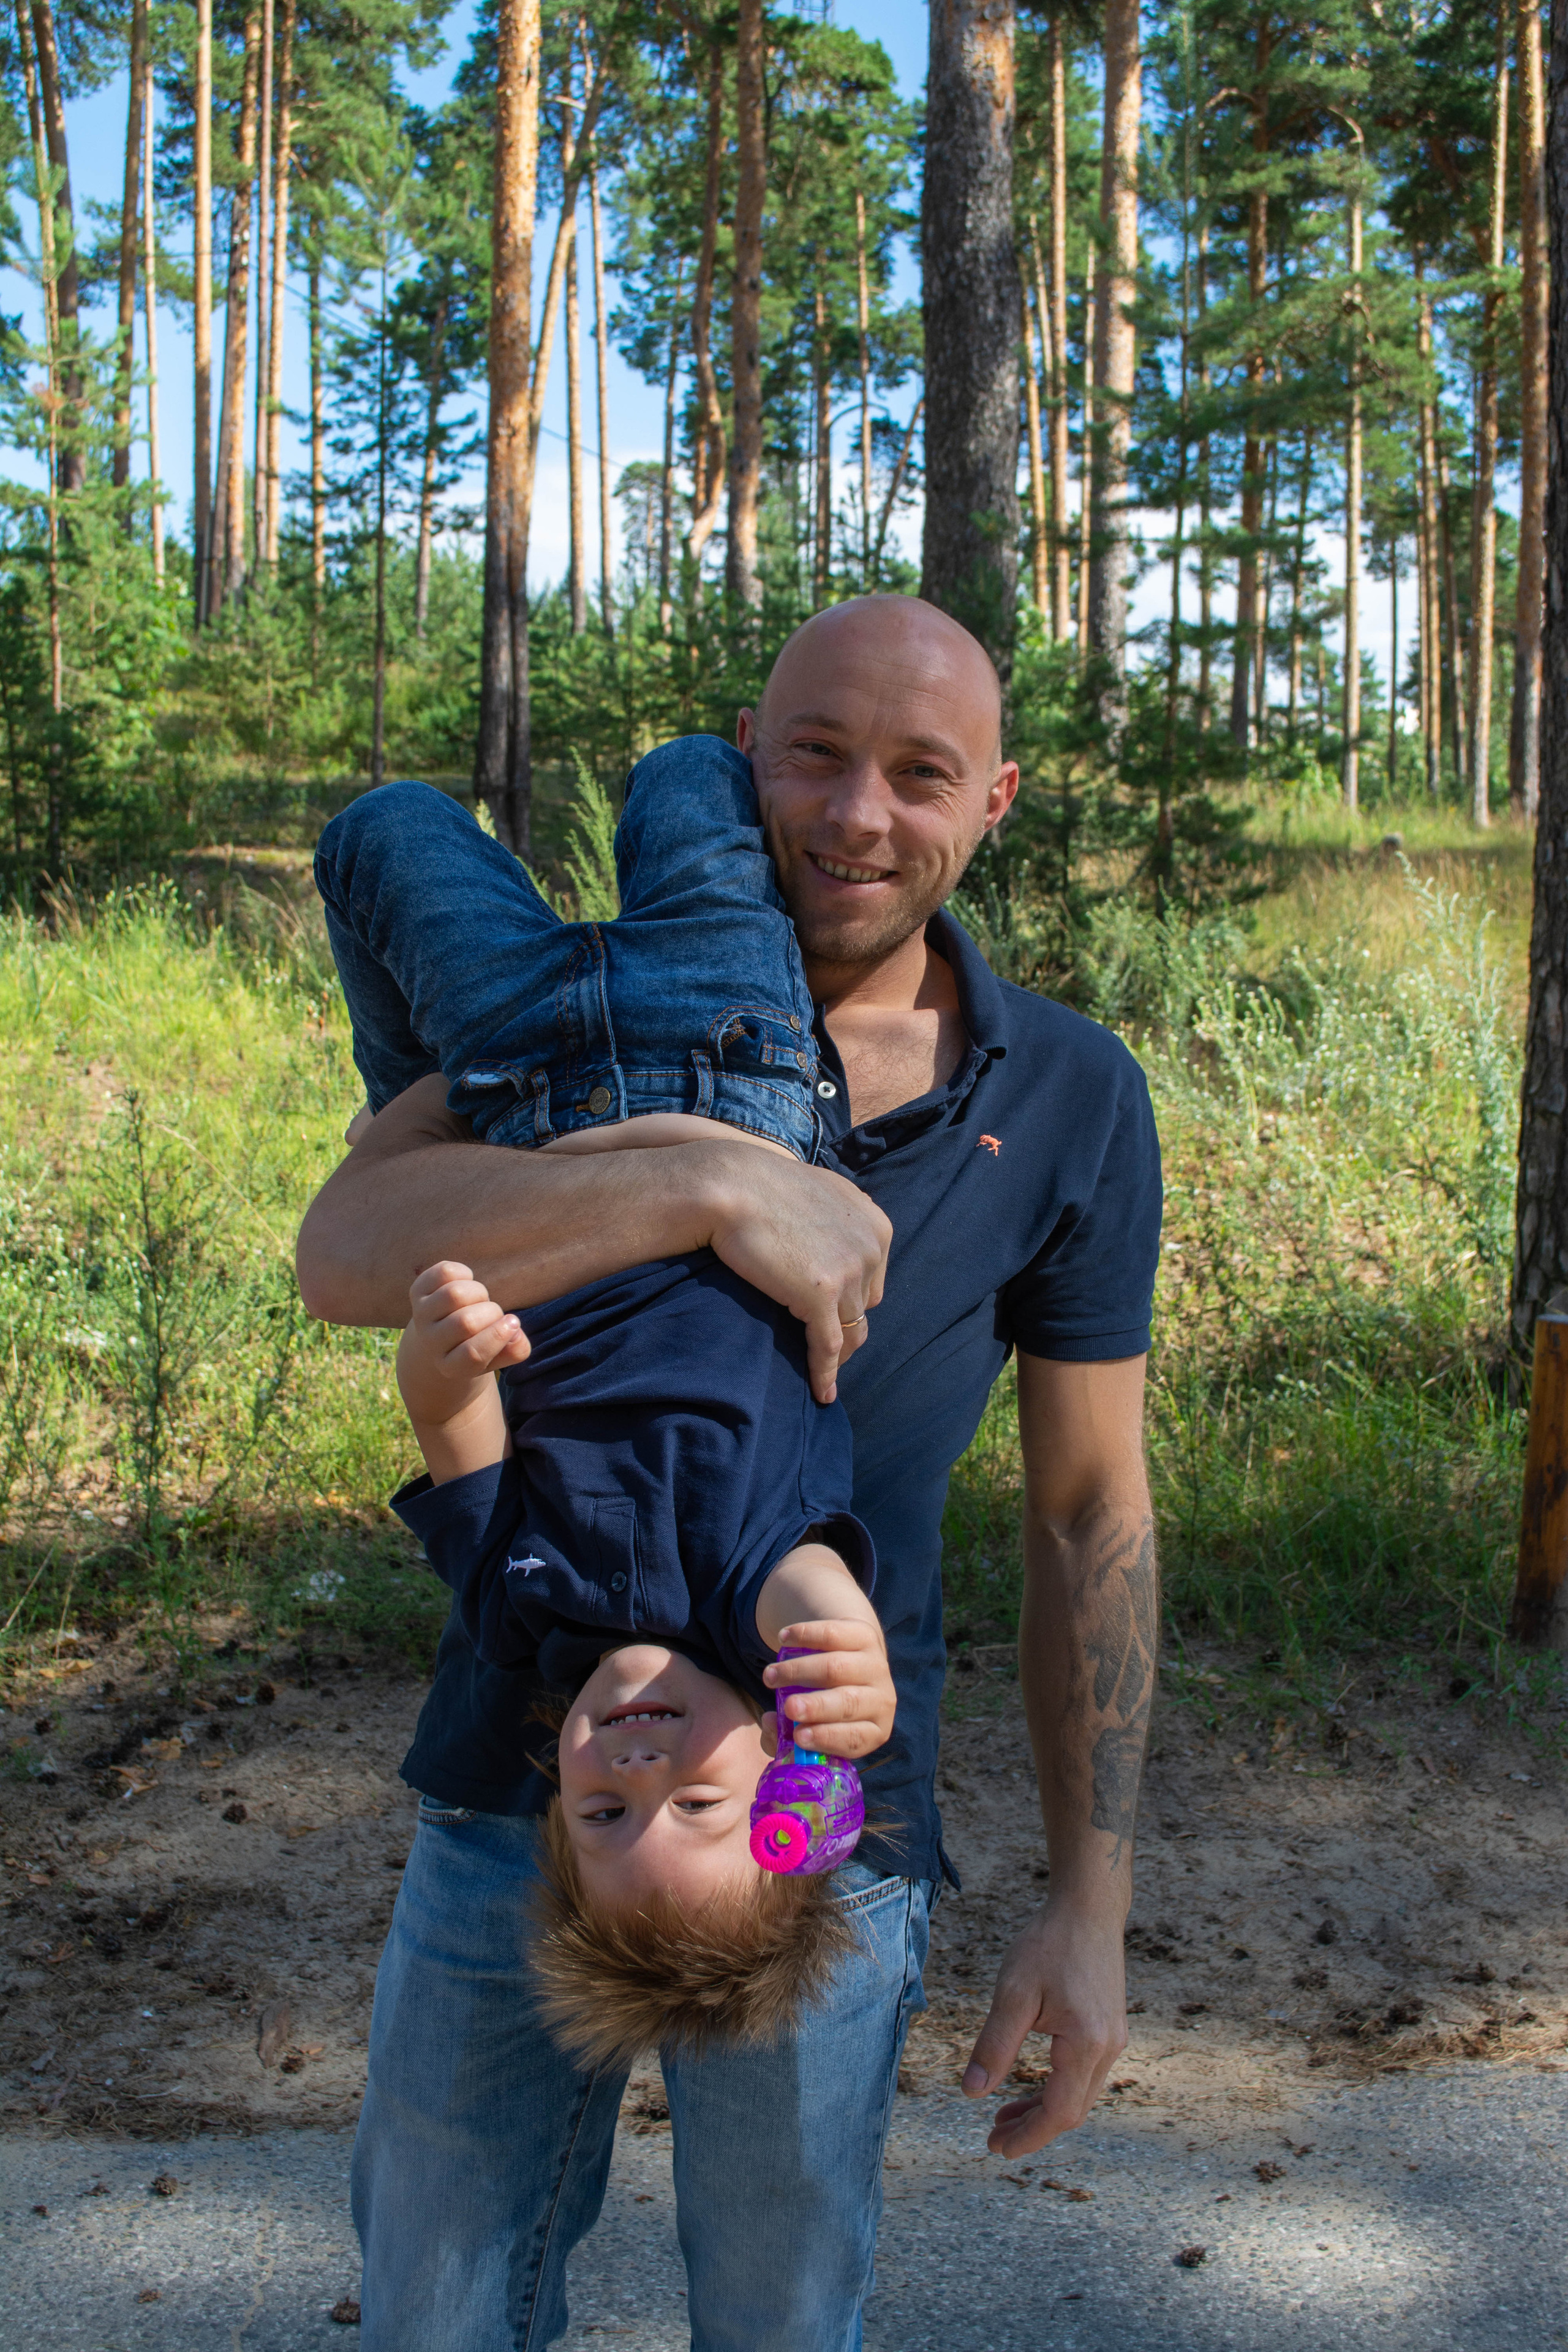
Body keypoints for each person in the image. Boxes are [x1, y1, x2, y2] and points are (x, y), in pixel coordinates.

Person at [296, 594, 1164, 2352]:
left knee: (779, 2309)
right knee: (437, 2308)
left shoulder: (1070, 1093)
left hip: (824, 1815)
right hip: (516, 1785)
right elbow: (349, 1250)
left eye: (919, 775)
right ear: (752, 759)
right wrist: (713, 1186)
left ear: (992, 801)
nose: (858, 816)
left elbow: (1090, 1518)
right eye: (819, 756)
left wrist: (1092, 1900)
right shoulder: (573, 1046)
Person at [312, 737, 897, 1981]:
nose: (641, 1775)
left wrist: (447, 1356)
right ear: (776, 1773)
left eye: (602, 1816)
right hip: (727, 1062)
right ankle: (401, 1103)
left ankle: (402, 1099)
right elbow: (823, 1622)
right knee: (689, 772)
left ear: (552, 1798)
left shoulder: (522, 1614)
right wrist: (844, 1708)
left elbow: (450, 1437)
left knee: (380, 829)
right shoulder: (752, 1605)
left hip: (511, 1095)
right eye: (698, 1808)